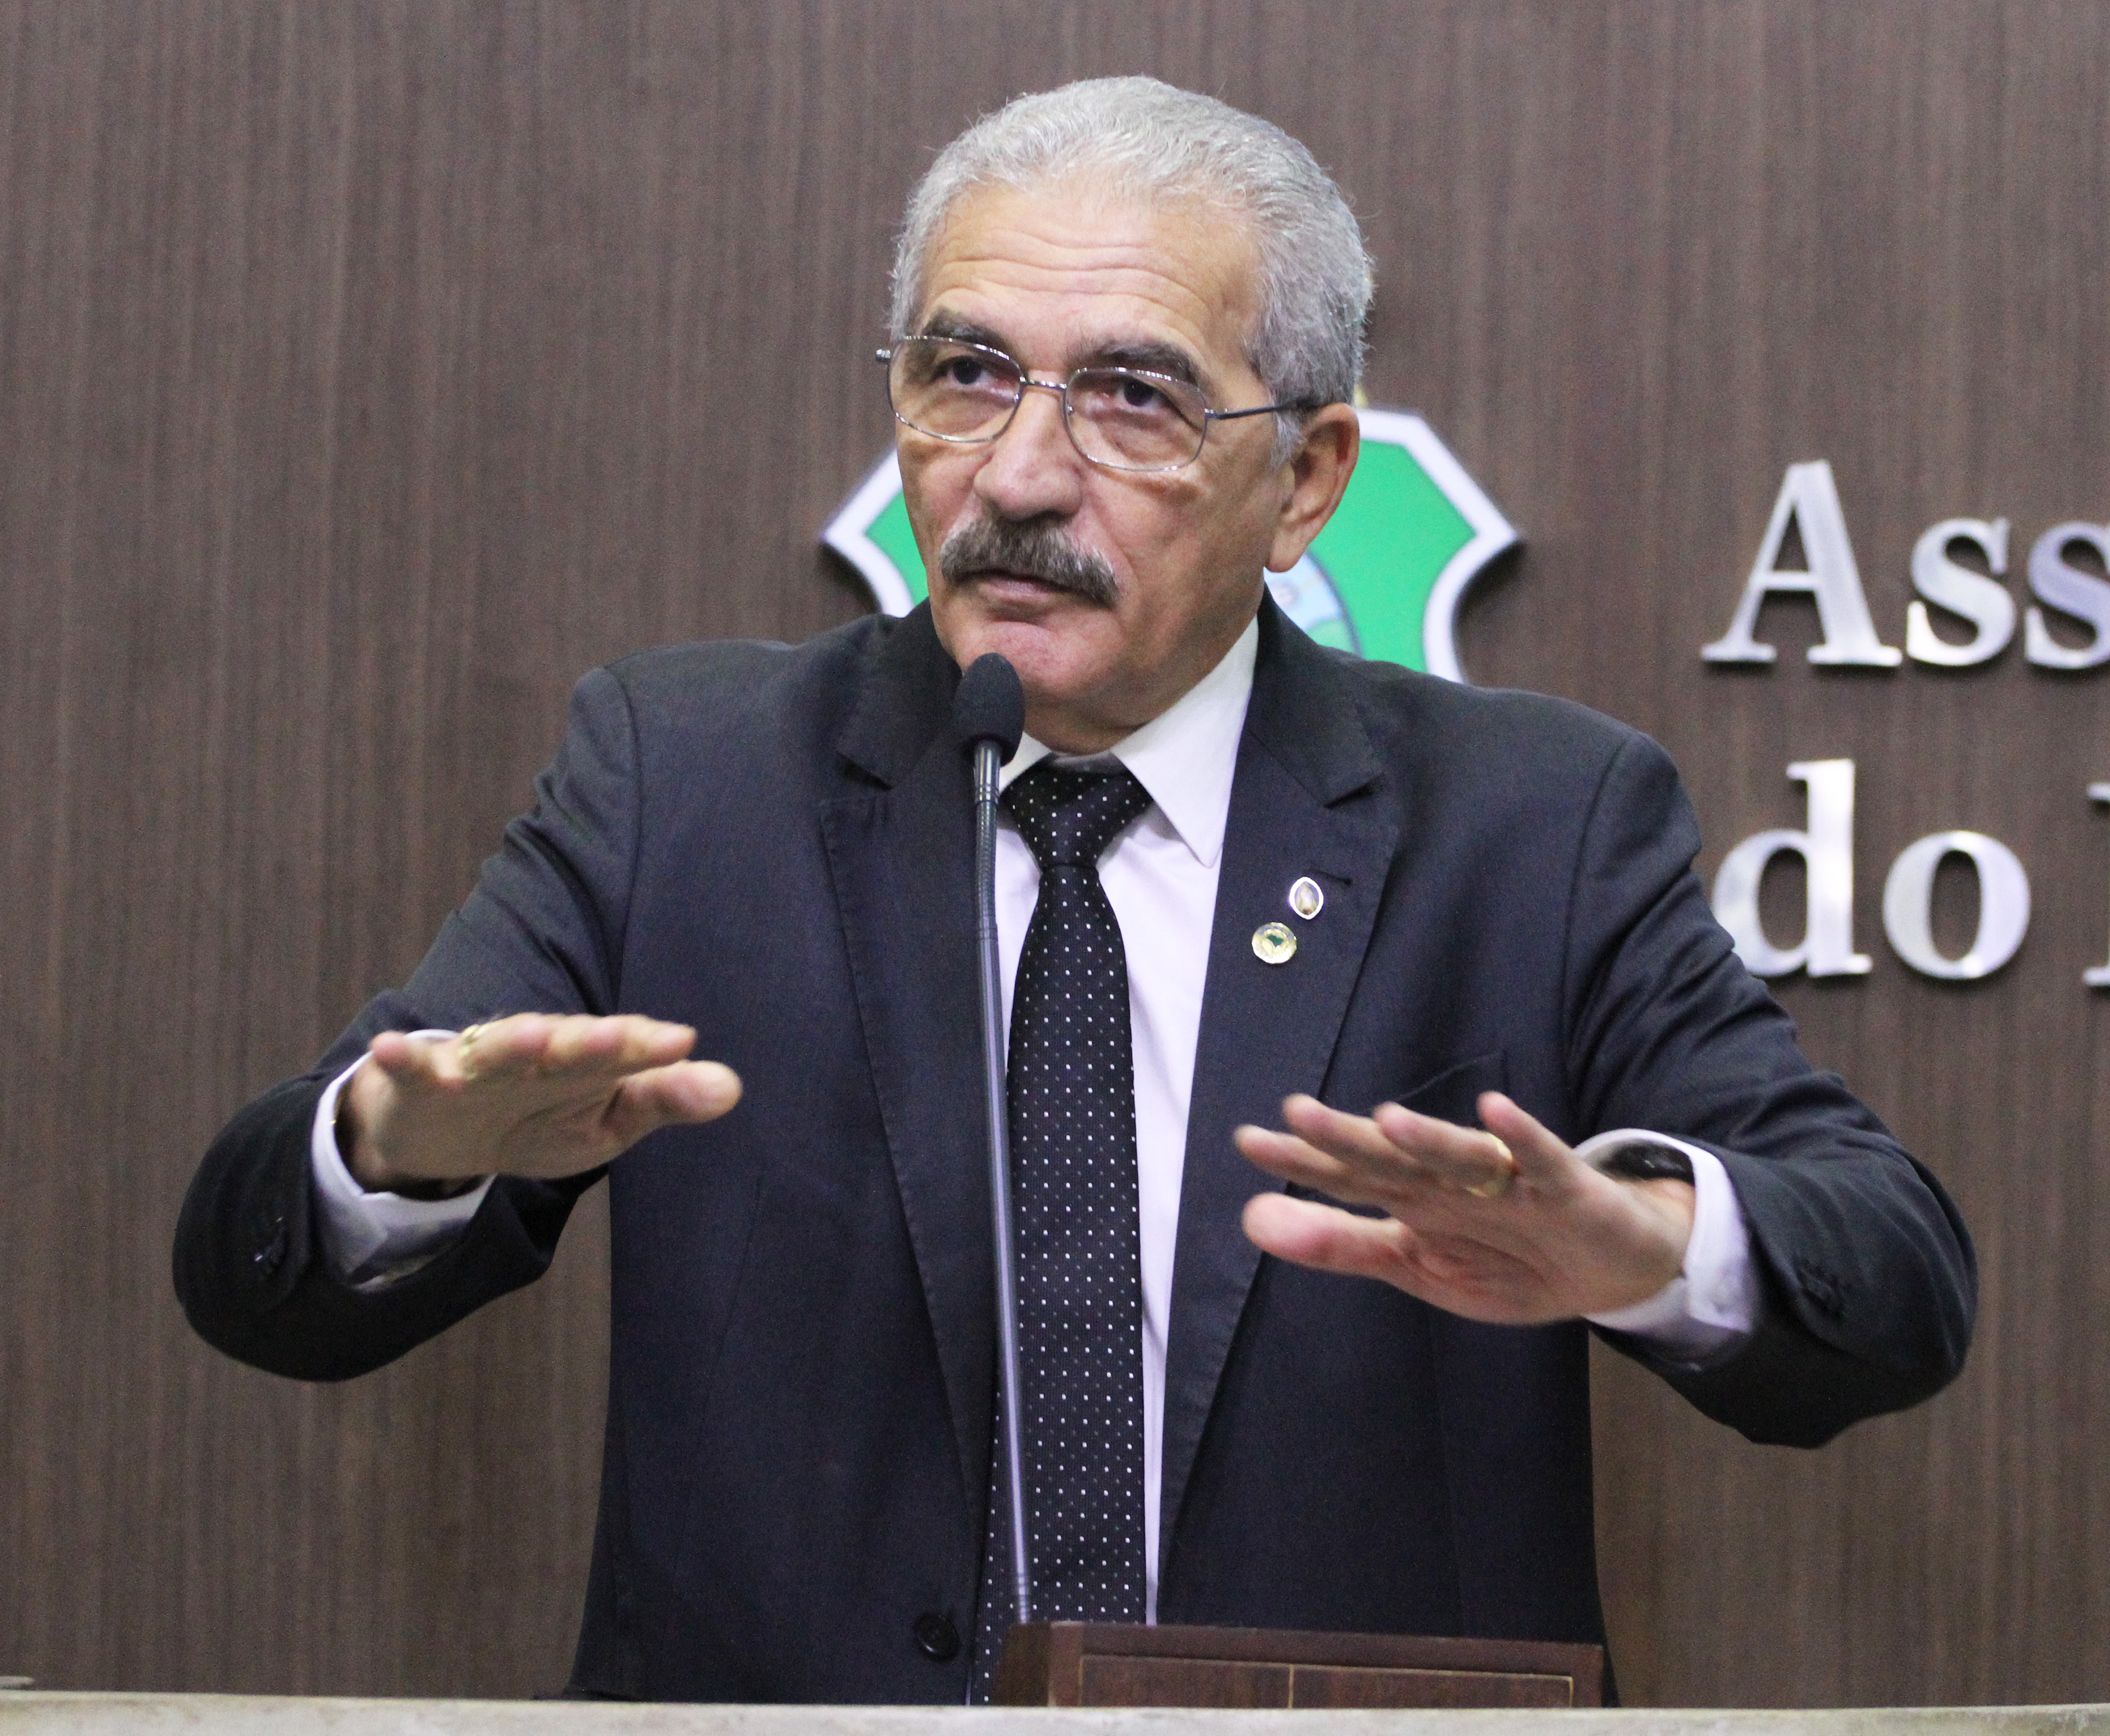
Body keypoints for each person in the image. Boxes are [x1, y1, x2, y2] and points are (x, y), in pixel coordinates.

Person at [175, 77, 1973, 1704]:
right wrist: (392, 1155)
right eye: (965, 374)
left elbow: (1891, 1273)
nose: (1021, 477)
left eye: (1134, 398)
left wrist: (1649, 1248)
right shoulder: (685, 779)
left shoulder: (1532, 823)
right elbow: (258, 1272)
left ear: (1306, 481)